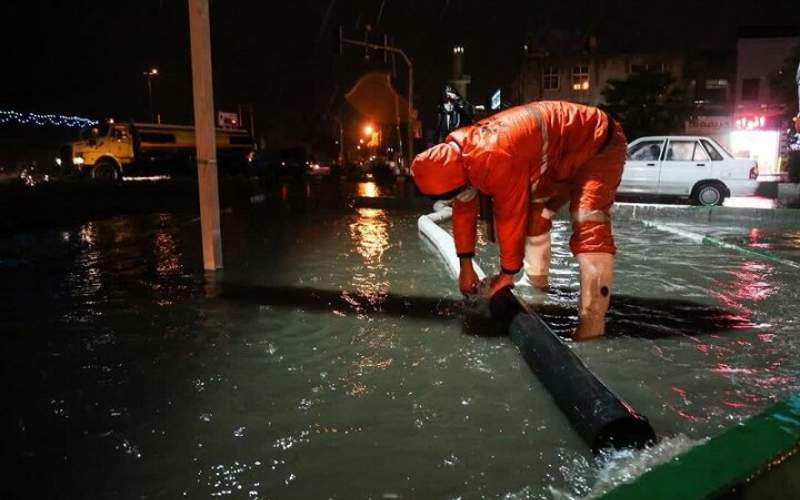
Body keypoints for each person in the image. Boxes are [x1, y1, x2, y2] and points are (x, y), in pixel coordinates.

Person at [411, 100, 626, 340]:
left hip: (599, 141)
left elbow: (510, 217)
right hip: (558, 156)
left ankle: (592, 324)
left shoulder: (494, 156)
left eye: (453, 196)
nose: (456, 201)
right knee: (537, 217)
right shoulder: (460, 156)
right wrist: (466, 266)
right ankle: (535, 282)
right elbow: (464, 209)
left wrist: (505, 276)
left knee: (589, 223)